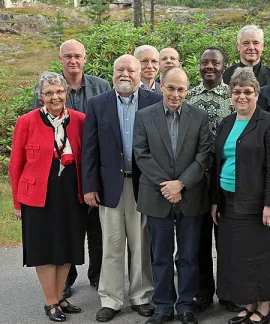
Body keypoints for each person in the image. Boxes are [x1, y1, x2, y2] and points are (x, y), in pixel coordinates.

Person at [82, 54, 162, 322]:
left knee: (141, 244)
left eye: (131, 69)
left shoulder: (155, 101)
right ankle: (111, 299)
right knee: (112, 244)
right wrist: (89, 186)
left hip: (144, 183)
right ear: (113, 73)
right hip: (110, 186)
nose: (125, 74)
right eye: (120, 69)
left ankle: (141, 296)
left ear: (141, 75)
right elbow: (90, 149)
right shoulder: (97, 104)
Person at [133, 67, 211, 324]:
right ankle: (164, 306)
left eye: (181, 89)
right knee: (161, 256)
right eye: (171, 88)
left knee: (189, 256)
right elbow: (141, 154)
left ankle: (186, 306)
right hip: (157, 196)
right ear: (161, 86)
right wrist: (167, 186)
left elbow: (203, 155)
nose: (175, 94)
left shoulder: (199, 117)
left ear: (187, 91)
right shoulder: (144, 116)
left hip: (190, 196)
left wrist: (182, 184)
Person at [32, 39, 110, 298]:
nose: (73, 60)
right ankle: (67, 278)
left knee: (96, 229)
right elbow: (40, 127)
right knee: (68, 228)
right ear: (60, 58)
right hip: (63, 173)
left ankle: (98, 275)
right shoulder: (48, 87)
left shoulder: (101, 86)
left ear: (85, 58)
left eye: (77, 55)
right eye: (68, 56)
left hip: (96, 167)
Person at [211, 67, 270, 324]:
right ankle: (248, 304)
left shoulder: (269, 123)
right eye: (237, 92)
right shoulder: (227, 123)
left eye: (247, 92)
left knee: (261, 255)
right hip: (229, 201)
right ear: (231, 95)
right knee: (238, 256)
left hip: (258, 203)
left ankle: (263, 308)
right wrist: (215, 201)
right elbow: (217, 163)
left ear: (256, 94)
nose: (242, 96)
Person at [10, 72, 85, 322]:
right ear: (40, 96)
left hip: (70, 193)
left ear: (66, 93)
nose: (55, 97)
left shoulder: (79, 120)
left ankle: (61, 298)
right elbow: (15, 164)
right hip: (37, 195)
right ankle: (50, 300)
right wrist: (17, 202)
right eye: (49, 93)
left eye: (59, 91)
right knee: (44, 248)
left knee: (67, 246)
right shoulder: (27, 121)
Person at [188, 47, 238, 313]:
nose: (209, 66)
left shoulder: (234, 96)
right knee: (199, 239)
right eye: (204, 62)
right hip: (196, 179)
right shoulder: (188, 96)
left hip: (225, 179)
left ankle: (229, 292)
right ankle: (203, 292)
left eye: (215, 62)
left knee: (226, 237)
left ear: (224, 66)